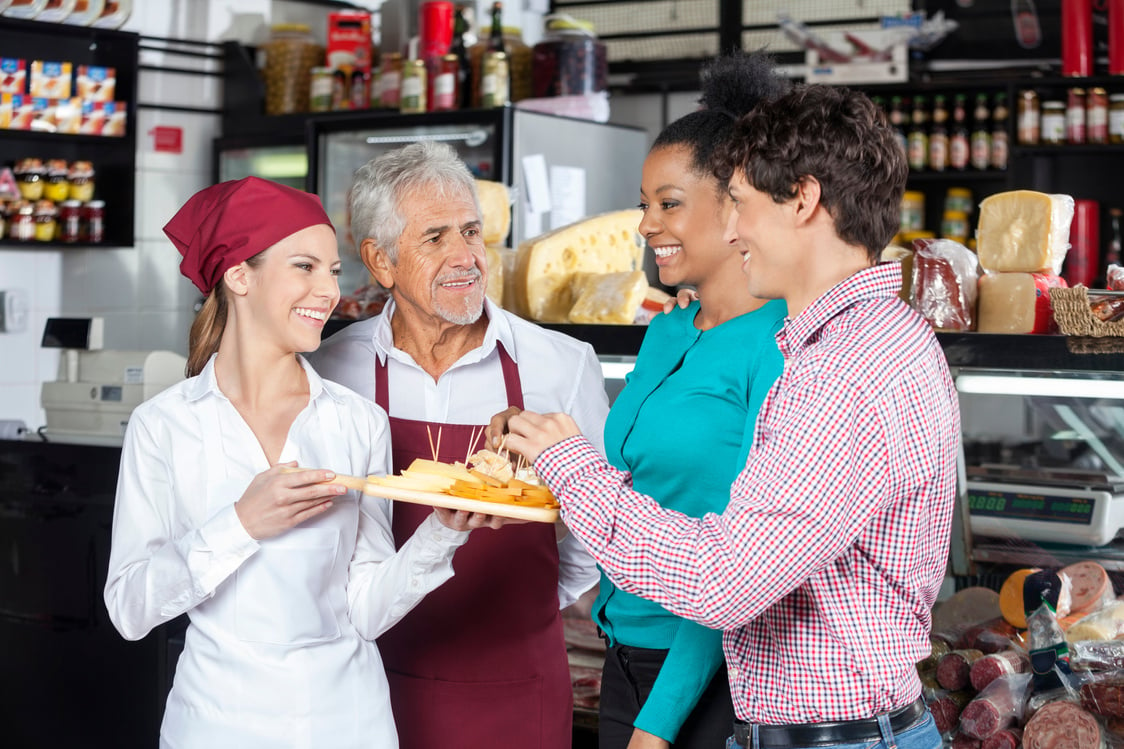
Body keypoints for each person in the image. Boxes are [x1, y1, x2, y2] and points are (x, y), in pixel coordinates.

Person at [505, 84, 959, 749]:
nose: (731, 229)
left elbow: (724, 582)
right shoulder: (884, 335)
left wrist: (574, 469)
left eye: (741, 204)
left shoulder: (840, 373)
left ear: (802, 200)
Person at [103, 176, 497, 749]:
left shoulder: (357, 421)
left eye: (333, 271)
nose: (328, 291)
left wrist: (442, 532)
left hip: (347, 722)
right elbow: (130, 608)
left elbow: (365, 611)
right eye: (304, 267)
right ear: (239, 275)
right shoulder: (164, 426)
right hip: (216, 724)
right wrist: (240, 523)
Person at [307, 142, 606, 749]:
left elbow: (599, 527)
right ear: (380, 261)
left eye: (472, 231)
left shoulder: (560, 363)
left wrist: (527, 606)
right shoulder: (335, 367)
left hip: (516, 677)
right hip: (372, 676)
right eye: (435, 237)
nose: (465, 256)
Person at [593, 52, 788, 749]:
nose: (647, 224)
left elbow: (742, 561)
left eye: (668, 203)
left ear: (735, 204)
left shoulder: (780, 346)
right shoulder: (668, 329)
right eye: (645, 203)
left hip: (708, 685)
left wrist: (659, 720)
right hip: (623, 658)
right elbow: (637, 478)